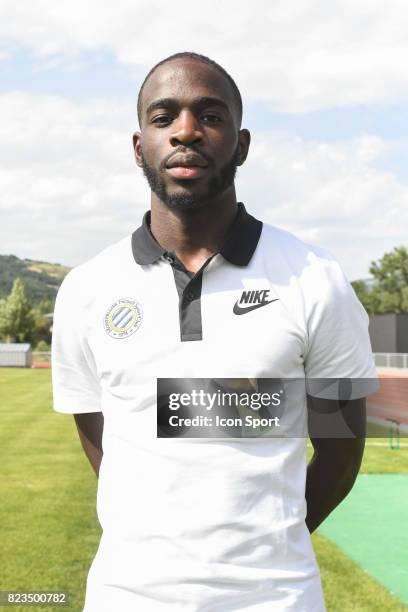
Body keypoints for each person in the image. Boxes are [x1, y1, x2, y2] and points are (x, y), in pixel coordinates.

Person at [51, 51, 378, 612]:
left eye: (210, 115)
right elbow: (101, 438)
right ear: (138, 147)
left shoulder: (314, 278)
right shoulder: (87, 289)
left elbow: (340, 453)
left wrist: (266, 550)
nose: (186, 131)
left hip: (277, 599)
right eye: (164, 117)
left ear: (241, 144)